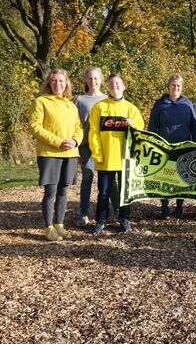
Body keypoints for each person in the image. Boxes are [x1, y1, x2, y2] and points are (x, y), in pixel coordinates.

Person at [29, 68, 83, 241]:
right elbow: (35, 127)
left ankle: (60, 224)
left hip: (70, 153)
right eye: (54, 81)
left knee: (63, 191)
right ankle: (48, 227)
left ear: (66, 83)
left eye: (61, 81)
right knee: (50, 191)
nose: (57, 84)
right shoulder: (41, 101)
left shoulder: (71, 105)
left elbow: (79, 128)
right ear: (48, 83)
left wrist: (75, 141)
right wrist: (58, 141)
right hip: (50, 153)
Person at [89, 74, 145, 234]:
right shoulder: (99, 107)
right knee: (103, 192)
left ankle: (124, 219)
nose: (115, 86)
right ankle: (101, 221)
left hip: (125, 158)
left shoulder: (131, 108)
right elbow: (94, 133)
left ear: (124, 86)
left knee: (124, 192)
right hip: (106, 157)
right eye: (111, 84)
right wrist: (98, 154)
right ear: (107, 87)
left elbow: (140, 132)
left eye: (118, 83)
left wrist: (133, 125)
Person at [149, 74, 196, 220]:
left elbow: (194, 126)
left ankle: (179, 206)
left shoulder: (187, 104)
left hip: (183, 145)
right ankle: (164, 207)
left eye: (178, 86)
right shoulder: (160, 104)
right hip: (164, 146)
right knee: (164, 177)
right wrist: (151, 144)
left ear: (182, 88)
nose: (175, 88)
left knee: (181, 177)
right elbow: (153, 126)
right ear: (168, 86)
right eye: (173, 85)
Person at [74, 67, 120, 227]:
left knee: (111, 181)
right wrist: (76, 148)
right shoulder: (80, 100)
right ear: (86, 80)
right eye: (90, 78)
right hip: (86, 145)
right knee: (87, 177)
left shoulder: (109, 99)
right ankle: (84, 213)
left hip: (106, 146)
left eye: (96, 78)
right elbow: (75, 124)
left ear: (101, 80)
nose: (93, 81)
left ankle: (118, 211)